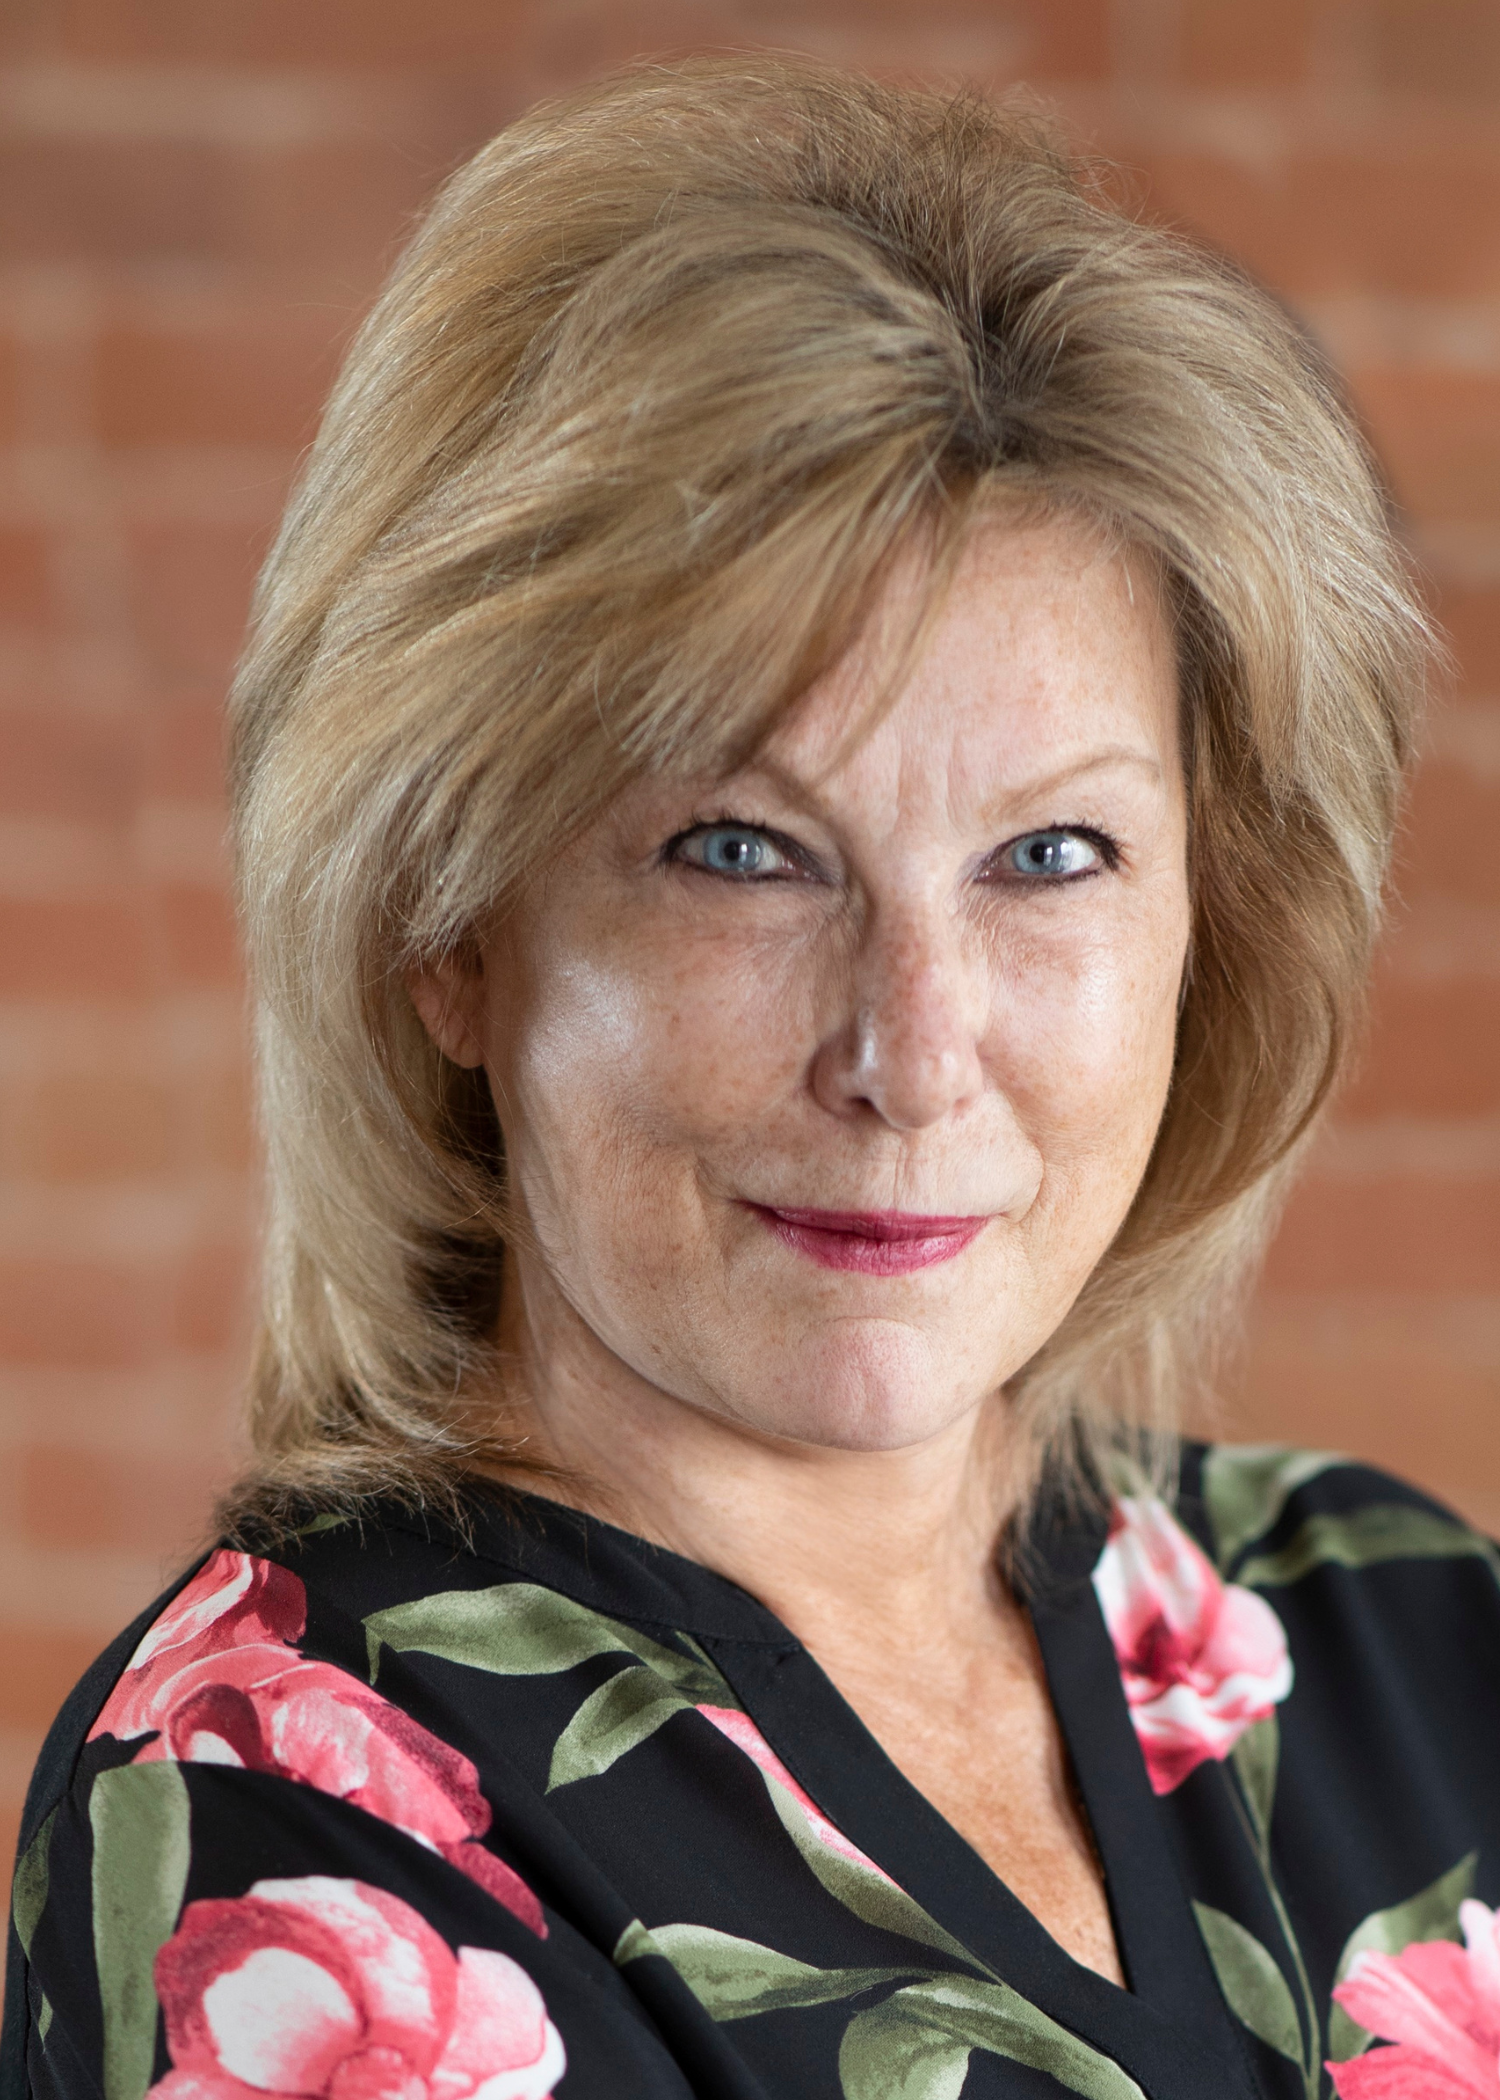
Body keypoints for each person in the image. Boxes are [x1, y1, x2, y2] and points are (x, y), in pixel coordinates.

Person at [5, 54, 1494, 2100]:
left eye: (1050, 856)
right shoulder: (297, 1813)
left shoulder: (1407, 1644)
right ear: (447, 928)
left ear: (1203, 929)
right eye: (743, 853)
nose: (913, 1050)